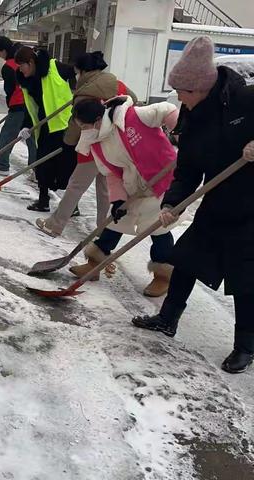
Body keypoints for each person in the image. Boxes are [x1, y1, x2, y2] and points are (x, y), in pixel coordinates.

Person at [131, 36, 254, 373]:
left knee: (246, 279)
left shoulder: (246, 100)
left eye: (184, 92)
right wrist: (173, 202)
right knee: (185, 259)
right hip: (217, 202)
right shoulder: (193, 116)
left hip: (251, 208)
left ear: (201, 87)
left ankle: (245, 346)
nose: (179, 100)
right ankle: (167, 319)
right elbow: (188, 169)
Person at [69, 96, 179, 297]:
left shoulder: (132, 116)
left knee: (157, 227)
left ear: (97, 120)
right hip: (132, 186)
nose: (83, 131)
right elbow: (111, 173)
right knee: (115, 222)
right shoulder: (96, 142)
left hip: (162, 180)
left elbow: (168, 109)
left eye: (84, 126)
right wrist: (118, 200)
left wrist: (181, 133)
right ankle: (94, 263)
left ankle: (164, 276)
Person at [36, 51, 138, 236]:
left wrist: (68, 142)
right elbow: (135, 100)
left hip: (92, 149)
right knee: (106, 190)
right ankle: (102, 231)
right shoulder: (117, 84)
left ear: (84, 72)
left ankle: (55, 225)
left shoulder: (84, 94)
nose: (76, 76)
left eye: (77, 72)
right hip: (115, 148)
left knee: (75, 187)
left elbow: (75, 127)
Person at [15, 46, 77, 212]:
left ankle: (73, 206)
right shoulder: (27, 81)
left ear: (31, 62)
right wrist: (26, 126)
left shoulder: (55, 68)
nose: (20, 70)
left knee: (64, 167)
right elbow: (31, 107)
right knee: (42, 165)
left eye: (22, 65)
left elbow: (77, 72)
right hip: (44, 127)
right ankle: (43, 201)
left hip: (64, 126)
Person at [0, 36, 36, 176]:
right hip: (31, 105)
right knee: (32, 138)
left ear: (4, 50)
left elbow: (10, 90)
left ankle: (2, 166)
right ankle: (36, 170)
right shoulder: (24, 59)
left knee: (7, 135)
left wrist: (12, 107)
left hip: (18, 105)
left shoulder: (9, 66)